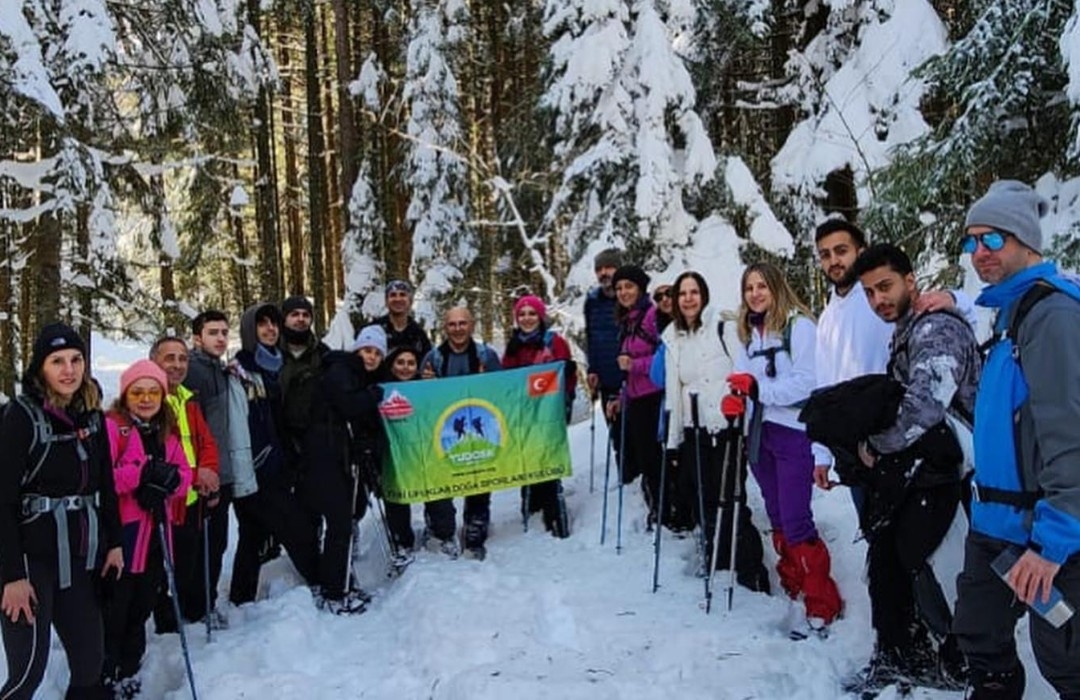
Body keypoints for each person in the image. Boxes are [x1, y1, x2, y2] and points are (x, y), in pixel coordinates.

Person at [953, 180, 1080, 699]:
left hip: (1046, 534)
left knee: (1066, 658)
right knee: (980, 637)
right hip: (996, 527)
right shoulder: (1009, 312)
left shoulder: (1052, 315)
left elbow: (1069, 433)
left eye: (993, 240)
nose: (979, 253)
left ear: (1026, 241)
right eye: (971, 242)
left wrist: (1053, 544)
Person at [838, 244, 978, 695]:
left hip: (955, 472)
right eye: (869, 292)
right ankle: (908, 654)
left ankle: (965, 660)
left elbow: (925, 406)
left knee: (932, 562)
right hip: (926, 467)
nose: (878, 299)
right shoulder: (907, 328)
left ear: (911, 280)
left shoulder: (935, 327)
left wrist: (873, 447)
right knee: (897, 559)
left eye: (885, 286)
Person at [812, 220, 978, 516]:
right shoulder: (829, 317)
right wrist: (824, 452)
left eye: (841, 250)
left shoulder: (916, 316)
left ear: (860, 251)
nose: (834, 261)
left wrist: (955, 298)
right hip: (872, 449)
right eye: (825, 254)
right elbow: (824, 381)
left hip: (938, 460)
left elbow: (926, 401)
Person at [0, 323, 123, 699]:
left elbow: (106, 486)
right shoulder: (21, 416)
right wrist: (12, 577)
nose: (68, 369)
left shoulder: (91, 415)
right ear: (41, 368)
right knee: (27, 676)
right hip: (30, 564)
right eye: (57, 361)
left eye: (75, 359)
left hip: (80, 562)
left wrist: (114, 543)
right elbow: (1, 500)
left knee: (90, 665)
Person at [728, 262, 843, 639]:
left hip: (794, 431)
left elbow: (808, 381)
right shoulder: (748, 334)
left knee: (795, 517)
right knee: (776, 514)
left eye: (762, 286)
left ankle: (822, 602)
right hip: (760, 434)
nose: (756, 294)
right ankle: (794, 583)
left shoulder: (799, 326)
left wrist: (760, 393)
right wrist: (736, 403)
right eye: (749, 288)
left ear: (776, 288)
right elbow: (745, 381)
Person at [661, 271, 768, 589]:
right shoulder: (673, 338)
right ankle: (720, 562)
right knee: (705, 500)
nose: (688, 298)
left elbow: (742, 372)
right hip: (695, 429)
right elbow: (673, 393)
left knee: (733, 498)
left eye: (694, 292)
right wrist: (673, 442)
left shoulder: (723, 327)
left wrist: (742, 421)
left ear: (703, 296)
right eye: (683, 293)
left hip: (726, 428)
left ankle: (750, 571)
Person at [102, 360, 193, 697]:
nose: (145, 398)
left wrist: (170, 481)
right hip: (122, 538)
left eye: (153, 391)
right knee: (116, 609)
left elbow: (185, 476)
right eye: (137, 391)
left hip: (156, 536)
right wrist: (140, 473)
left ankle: (129, 670)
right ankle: (105, 673)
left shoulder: (166, 430)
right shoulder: (113, 428)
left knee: (142, 607)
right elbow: (103, 480)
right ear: (126, 394)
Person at [228, 303, 320, 606]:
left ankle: (240, 600)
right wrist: (251, 465)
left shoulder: (279, 365)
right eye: (262, 324)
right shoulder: (240, 370)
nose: (270, 330)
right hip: (257, 469)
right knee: (297, 530)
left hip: (284, 463)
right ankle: (325, 584)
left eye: (274, 324)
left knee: (252, 536)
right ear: (249, 331)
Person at [304, 325, 387, 613]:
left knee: (346, 520)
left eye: (377, 353)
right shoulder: (341, 369)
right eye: (367, 350)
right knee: (340, 523)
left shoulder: (354, 373)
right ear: (356, 350)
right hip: (327, 458)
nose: (372, 357)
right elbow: (348, 406)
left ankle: (340, 582)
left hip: (338, 456)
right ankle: (335, 592)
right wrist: (373, 396)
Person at [184, 310, 257, 628]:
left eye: (224, 332)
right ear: (197, 337)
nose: (220, 338)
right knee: (201, 545)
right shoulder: (194, 372)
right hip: (202, 475)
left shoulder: (221, 370)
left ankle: (205, 602)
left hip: (223, 472)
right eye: (213, 332)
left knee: (216, 543)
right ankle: (197, 608)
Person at [147, 335, 221, 632]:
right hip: (163, 502)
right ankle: (166, 625)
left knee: (187, 562)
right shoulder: (148, 398)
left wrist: (209, 473)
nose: (177, 365)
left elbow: (206, 442)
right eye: (170, 359)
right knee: (163, 570)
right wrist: (195, 475)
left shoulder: (187, 399)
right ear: (154, 361)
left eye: (182, 359)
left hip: (191, 499)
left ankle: (186, 615)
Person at [420, 307, 503, 558]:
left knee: (479, 472)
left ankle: (476, 522)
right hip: (444, 430)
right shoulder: (433, 358)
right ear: (445, 327)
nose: (457, 328)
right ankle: (439, 525)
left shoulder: (486, 356)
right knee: (440, 476)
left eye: (462, 323)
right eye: (452, 324)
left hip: (479, 425)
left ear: (472, 325)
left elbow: (501, 392)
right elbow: (421, 398)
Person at [501, 295, 573, 538]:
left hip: (549, 410)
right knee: (529, 456)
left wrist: (567, 396)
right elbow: (507, 380)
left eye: (532, 314)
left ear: (540, 316)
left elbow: (567, 375)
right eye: (522, 314)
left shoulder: (554, 342)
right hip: (524, 412)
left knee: (548, 457)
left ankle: (554, 510)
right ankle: (531, 505)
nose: (527, 318)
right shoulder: (513, 347)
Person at [607, 264, 664, 524]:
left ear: (640, 287)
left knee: (657, 459)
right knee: (646, 460)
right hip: (637, 398)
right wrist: (622, 398)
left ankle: (667, 511)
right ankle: (658, 508)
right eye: (619, 288)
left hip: (656, 396)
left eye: (628, 286)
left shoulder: (653, 316)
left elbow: (667, 356)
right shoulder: (627, 320)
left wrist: (635, 365)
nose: (623, 292)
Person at [278, 295, 331, 478]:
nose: (300, 319)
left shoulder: (323, 354)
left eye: (305, 315)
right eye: (294, 314)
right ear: (284, 318)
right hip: (279, 440)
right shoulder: (271, 353)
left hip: (315, 443)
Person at [584, 248, 624, 462]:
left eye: (609, 267)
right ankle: (626, 486)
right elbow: (591, 337)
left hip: (631, 381)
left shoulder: (629, 298)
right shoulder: (592, 302)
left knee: (637, 439)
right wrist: (592, 369)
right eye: (599, 269)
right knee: (617, 438)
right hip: (606, 381)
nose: (604, 273)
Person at [372, 280, 433, 358]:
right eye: (393, 295)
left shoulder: (419, 335)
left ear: (410, 301)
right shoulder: (375, 330)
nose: (398, 299)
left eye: (402, 295)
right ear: (386, 301)